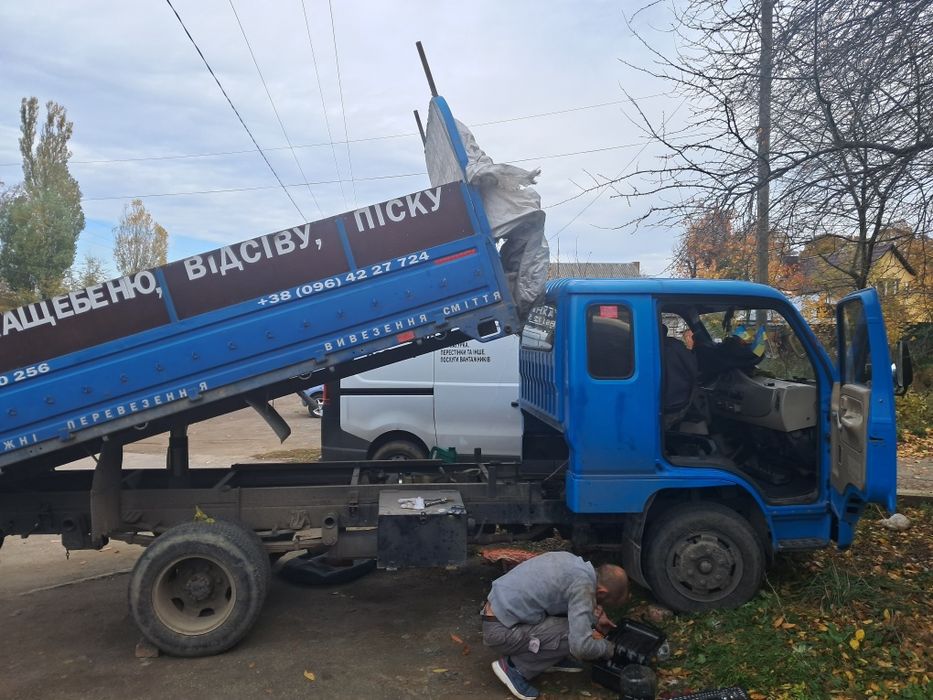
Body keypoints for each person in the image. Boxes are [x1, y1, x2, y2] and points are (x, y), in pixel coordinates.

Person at [480, 551, 629, 700]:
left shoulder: (575, 564)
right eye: (602, 601)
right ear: (602, 592)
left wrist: (595, 619)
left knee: (577, 626)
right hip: (501, 632)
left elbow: (563, 601)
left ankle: (550, 656)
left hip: (498, 615)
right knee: (574, 634)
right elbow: (580, 647)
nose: (599, 604)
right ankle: (514, 668)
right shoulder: (582, 586)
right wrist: (608, 649)